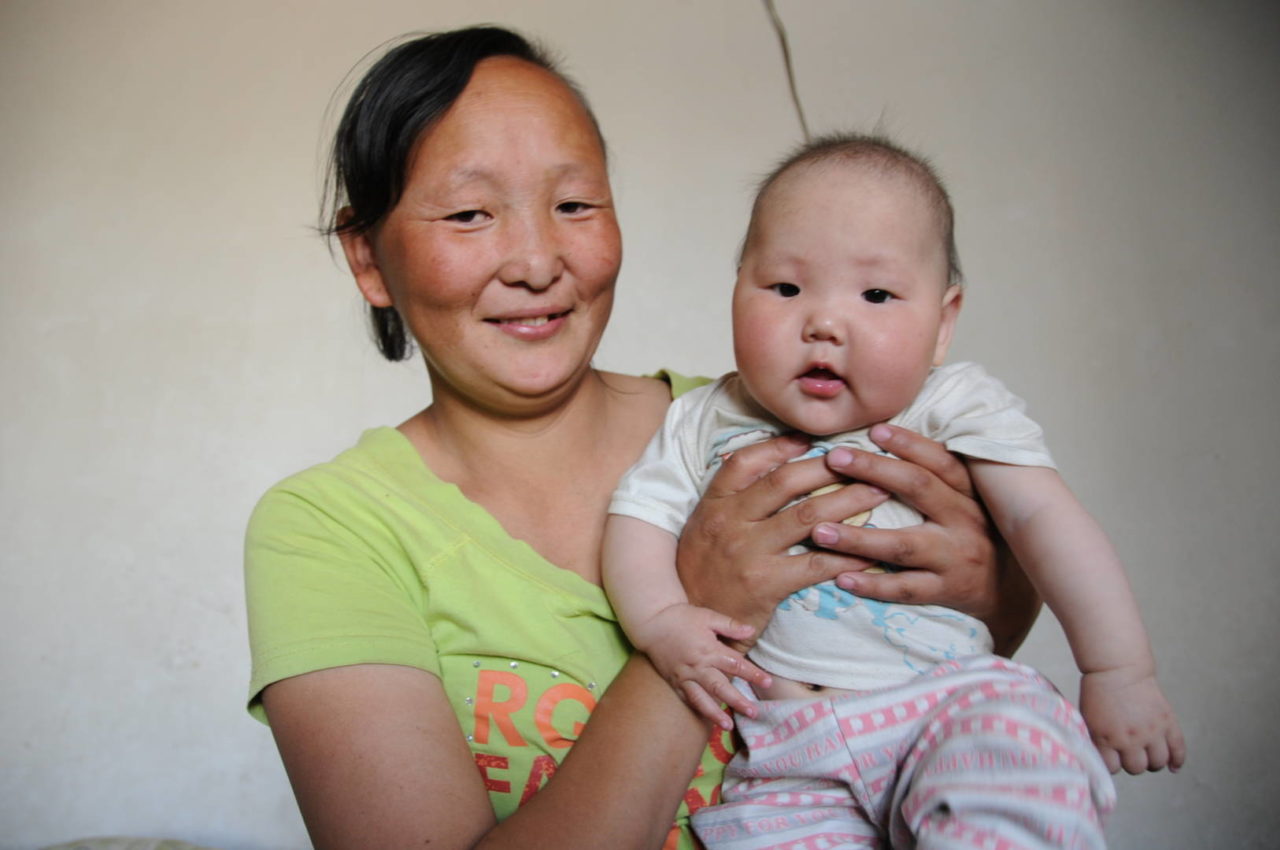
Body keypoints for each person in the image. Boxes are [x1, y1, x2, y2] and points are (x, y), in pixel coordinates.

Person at [245, 27, 1037, 850]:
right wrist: (698, 605)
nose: (537, 260)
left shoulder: (760, 429)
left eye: (574, 205)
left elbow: (946, 657)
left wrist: (989, 583)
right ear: (369, 257)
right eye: (471, 214)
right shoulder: (327, 529)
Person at [604, 134, 1186, 849]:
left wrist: (1119, 667)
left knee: (1012, 760)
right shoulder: (703, 418)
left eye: (876, 295)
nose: (822, 322)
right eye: (784, 288)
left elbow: (1043, 517)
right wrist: (663, 622)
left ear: (943, 324)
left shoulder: (954, 406)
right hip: (783, 749)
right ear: (736, 290)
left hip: (945, 707)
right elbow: (637, 521)